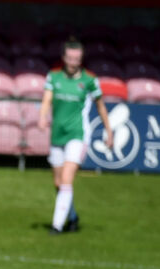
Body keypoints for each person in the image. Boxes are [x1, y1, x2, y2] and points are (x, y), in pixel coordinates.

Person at [37, 37, 112, 234]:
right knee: (58, 182)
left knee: (67, 179)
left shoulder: (89, 80)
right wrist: (42, 117)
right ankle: (72, 217)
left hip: (78, 134)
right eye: (70, 58)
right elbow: (46, 100)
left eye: (77, 58)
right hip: (57, 134)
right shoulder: (53, 77)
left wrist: (109, 130)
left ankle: (56, 226)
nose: (73, 62)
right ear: (63, 58)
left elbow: (100, 106)